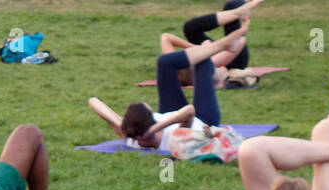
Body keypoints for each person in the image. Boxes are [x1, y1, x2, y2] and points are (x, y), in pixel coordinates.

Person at [88, 23, 247, 151]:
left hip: (170, 113)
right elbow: (189, 111)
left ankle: (218, 47)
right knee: (203, 61)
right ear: (151, 118)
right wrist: (157, 128)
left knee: (164, 62)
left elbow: (93, 101)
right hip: (203, 119)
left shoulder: (131, 135)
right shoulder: (175, 137)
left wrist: (120, 124)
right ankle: (216, 50)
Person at [160, 0, 262, 87]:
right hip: (234, 58)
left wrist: (197, 48)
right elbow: (238, 43)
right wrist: (206, 50)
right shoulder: (207, 64)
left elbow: (166, 37)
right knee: (230, 6)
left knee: (190, 28)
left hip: (212, 50)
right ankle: (237, 12)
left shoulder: (170, 63)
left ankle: (238, 12)